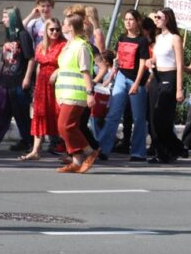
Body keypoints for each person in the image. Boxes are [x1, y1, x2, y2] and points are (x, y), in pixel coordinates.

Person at [96, 10, 149, 163]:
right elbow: (118, 59)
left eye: (131, 19)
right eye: (126, 19)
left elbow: (142, 64)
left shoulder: (142, 41)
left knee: (138, 117)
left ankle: (138, 152)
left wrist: (137, 83)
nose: (128, 22)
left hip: (135, 80)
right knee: (113, 114)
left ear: (137, 21)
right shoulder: (121, 37)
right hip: (121, 77)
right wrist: (112, 75)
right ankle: (103, 149)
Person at [0, 7, 34, 154]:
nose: (3, 20)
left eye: (6, 17)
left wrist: (27, 78)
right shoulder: (8, 36)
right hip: (4, 81)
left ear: (13, 18)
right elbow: (3, 61)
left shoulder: (23, 35)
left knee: (22, 115)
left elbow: (31, 58)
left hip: (18, 81)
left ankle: (28, 141)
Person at [54, 14, 98, 174]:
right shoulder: (69, 45)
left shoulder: (82, 46)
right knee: (63, 127)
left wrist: (89, 93)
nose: (62, 26)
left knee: (66, 125)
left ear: (71, 27)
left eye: (64, 24)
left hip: (77, 93)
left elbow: (86, 71)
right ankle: (77, 160)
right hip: (65, 92)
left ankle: (89, 152)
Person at [21, 18, 65, 161]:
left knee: (59, 115)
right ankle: (35, 150)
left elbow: (67, 64)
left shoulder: (64, 45)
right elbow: (38, 65)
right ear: (46, 31)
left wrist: (57, 72)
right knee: (39, 115)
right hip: (42, 83)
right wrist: (36, 87)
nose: (55, 32)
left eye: (57, 29)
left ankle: (65, 147)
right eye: (51, 29)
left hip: (57, 83)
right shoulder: (40, 46)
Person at [146, 8, 184, 164]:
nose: (156, 19)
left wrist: (179, 88)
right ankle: (162, 151)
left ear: (167, 19)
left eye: (159, 17)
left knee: (163, 117)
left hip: (170, 76)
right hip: (157, 77)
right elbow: (155, 57)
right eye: (155, 17)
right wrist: (150, 62)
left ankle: (174, 148)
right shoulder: (158, 37)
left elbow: (180, 64)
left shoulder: (175, 38)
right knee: (153, 117)